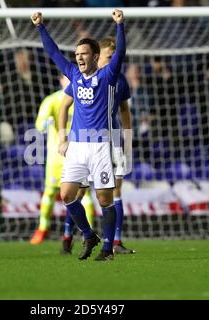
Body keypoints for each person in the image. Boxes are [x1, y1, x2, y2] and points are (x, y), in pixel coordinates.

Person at [31, 8, 126, 261]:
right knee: (66, 195)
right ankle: (88, 234)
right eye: (77, 55)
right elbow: (52, 53)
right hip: (77, 147)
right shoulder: (73, 75)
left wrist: (119, 26)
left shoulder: (108, 75)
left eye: (84, 54)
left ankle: (107, 249)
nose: (80, 58)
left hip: (100, 146)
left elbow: (121, 53)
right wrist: (41, 27)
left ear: (96, 56)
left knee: (105, 199)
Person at [59, 37, 135, 255]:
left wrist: (127, 139)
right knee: (75, 193)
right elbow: (64, 106)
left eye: (113, 56)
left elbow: (124, 111)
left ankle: (113, 243)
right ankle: (72, 235)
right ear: (98, 56)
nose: (111, 59)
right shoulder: (82, 77)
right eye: (107, 56)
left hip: (109, 142)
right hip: (82, 142)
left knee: (110, 194)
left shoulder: (118, 80)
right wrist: (62, 137)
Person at [29, 74, 95, 245]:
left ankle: (87, 231)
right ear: (61, 80)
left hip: (79, 153)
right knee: (50, 192)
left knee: (84, 193)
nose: (69, 82)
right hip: (56, 156)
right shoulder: (52, 100)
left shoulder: (84, 98)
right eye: (66, 78)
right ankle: (43, 229)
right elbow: (39, 125)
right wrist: (46, 123)